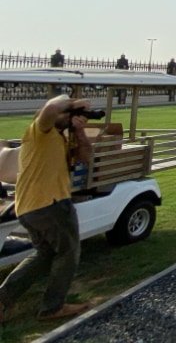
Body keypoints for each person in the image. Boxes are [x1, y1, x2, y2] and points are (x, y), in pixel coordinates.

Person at [0, 95, 94, 322]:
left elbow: (87, 159)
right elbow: (52, 107)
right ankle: (53, 307)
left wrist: (80, 132)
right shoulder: (39, 130)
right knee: (69, 252)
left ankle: (3, 299)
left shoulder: (61, 138)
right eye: (67, 115)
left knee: (46, 253)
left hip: (30, 207)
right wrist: (70, 105)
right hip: (50, 205)